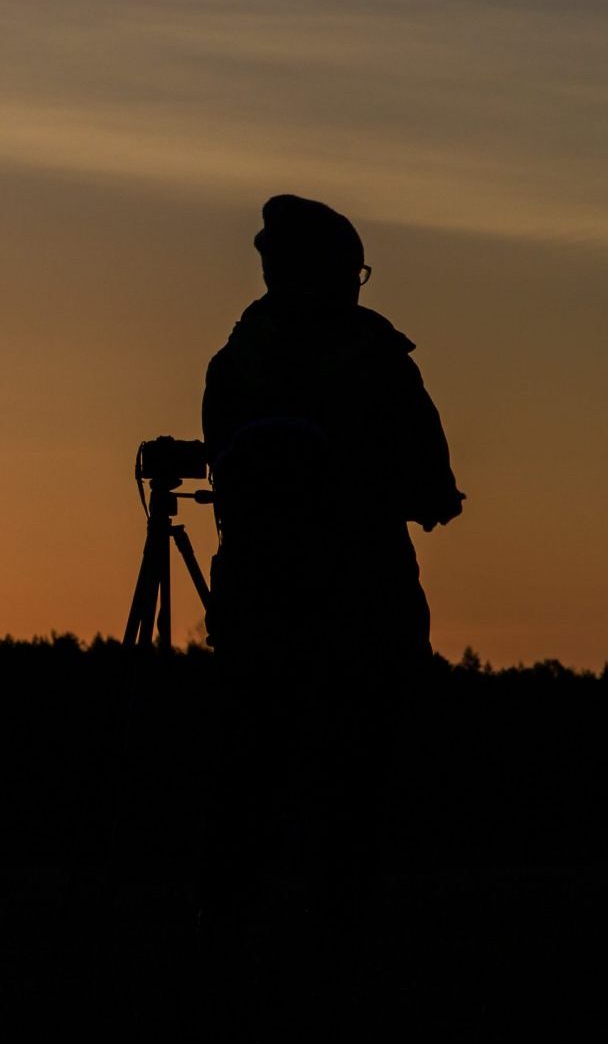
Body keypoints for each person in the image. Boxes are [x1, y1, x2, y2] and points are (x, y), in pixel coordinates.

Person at [196, 193, 463, 935]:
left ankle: (228, 936)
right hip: (365, 608)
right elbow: (433, 489)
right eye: (353, 271)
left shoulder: (233, 363)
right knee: (360, 790)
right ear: (333, 273)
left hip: (256, 606)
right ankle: (347, 941)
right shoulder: (379, 362)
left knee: (249, 780)